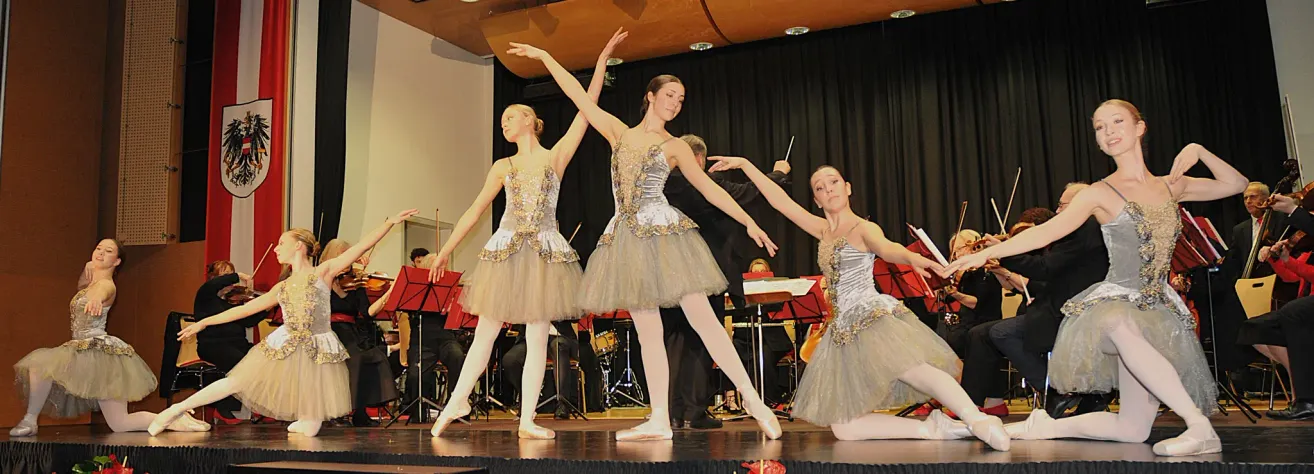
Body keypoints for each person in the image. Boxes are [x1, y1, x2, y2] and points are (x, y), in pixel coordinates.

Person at [508, 40, 783, 441]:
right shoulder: (618, 132)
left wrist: (748, 221)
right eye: (670, 95)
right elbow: (578, 97)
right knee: (648, 331)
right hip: (625, 238)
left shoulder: (675, 147)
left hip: (664, 233)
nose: (676, 102)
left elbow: (710, 189)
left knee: (704, 320)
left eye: (681, 98)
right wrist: (551, 57)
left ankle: (755, 404)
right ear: (650, 97)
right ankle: (658, 418)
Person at [944, 99, 1246, 456]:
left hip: (1159, 308)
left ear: (1140, 127)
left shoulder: (1171, 186)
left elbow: (1237, 183)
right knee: (1120, 326)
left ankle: (1041, 428)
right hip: (1115, 304)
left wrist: (1197, 150)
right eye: (1100, 127)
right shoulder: (1098, 193)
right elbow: (1045, 233)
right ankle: (1199, 425)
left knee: (1132, 431)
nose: (1108, 132)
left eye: (1117, 121)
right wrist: (982, 253)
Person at [707, 156, 1008, 449]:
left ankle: (975, 419)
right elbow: (779, 201)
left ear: (848, 187)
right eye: (820, 188)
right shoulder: (822, 230)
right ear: (816, 200)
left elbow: (888, 249)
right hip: (842, 330)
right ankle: (932, 429)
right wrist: (746, 165)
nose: (829, 190)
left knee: (914, 370)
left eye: (833, 182)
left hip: (869, 315)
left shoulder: (863, 228)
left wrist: (914, 258)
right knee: (845, 428)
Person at [428, 30, 624, 440]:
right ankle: (456, 402)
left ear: (532, 123)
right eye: (502, 119)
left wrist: (600, 61)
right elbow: (475, 209)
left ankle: (527, 419)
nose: (504, 121)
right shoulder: (503, 166)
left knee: (538, 337)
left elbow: (586, 109)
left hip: (544, 253)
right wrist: (446, 249)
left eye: (511, 116)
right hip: (506, 250)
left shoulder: (556, 157)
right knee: (486, 331)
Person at [149, 210, 419, 437]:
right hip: (286, 342)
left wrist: (388, 223)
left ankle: (304, 421)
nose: (276, 248)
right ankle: (173, 411)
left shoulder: (323, 272)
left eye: (281, 243)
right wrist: (203, 322)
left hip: (317, 346)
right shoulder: (282, 286)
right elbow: (244, 310)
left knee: (311, 428)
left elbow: (360, 247)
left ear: (298, 246)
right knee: (235, 382)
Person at [10, 239, 209, 436]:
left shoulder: (106, 285)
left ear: (117, 262)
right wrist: (89, 266)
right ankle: (30, 421)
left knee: (41, 367)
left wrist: (96, 299)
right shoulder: (91, 281)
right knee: (119, 423)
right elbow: (82, 286)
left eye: (108, 251)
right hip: (80, 348)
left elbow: (102, 291)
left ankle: (174, 418)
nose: (101, 253)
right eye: (98, 248)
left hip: (97, 353)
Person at [661, 134, 792, 429]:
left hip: (668, 272)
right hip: (709, 273)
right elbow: (752, 192)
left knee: (672, 341)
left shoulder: (664, 185)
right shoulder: (709, 183)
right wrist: (779, 173)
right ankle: (694, 412)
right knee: (702, 342)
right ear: (699, 159)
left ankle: (671, 411)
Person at [982, 185, 1113, 418]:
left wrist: (1003, 252)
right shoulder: (1092, 227)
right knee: (996, 331)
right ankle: (1081, 394)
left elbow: (1044, 268)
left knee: (1002, 332)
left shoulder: (1083, 229)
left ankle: (1060, 388)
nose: (1057, 210)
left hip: (1071, 312)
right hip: (1069, 305)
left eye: (1061, 205)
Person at [320, 240, 400, 427]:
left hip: (351, 331)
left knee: (374, 356)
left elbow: (365, 313)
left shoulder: (355, 281)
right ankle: (336, 412)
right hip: (328, 330)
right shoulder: (322, 278)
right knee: (355, 358)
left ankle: (360, 411)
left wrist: (386, 296)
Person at [194, 260, 266, 422]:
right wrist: (237, 275)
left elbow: (248, 322)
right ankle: (223, 408)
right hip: (213, 345)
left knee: (262, 360)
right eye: (224, 275)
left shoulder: (232, 301)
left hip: (236, 343)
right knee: (240, 363)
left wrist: (265, 307)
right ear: (213, 277)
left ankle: (262, 407)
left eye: (231, 274)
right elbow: (213, 286)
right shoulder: (205, 295)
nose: (230, 281)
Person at [501, 320, 583, 418]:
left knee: (559, 346)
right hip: (531, 338)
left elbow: (576, 317)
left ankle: (563, 403)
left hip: (558, 336)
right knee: (510, 360)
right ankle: (527, 399)